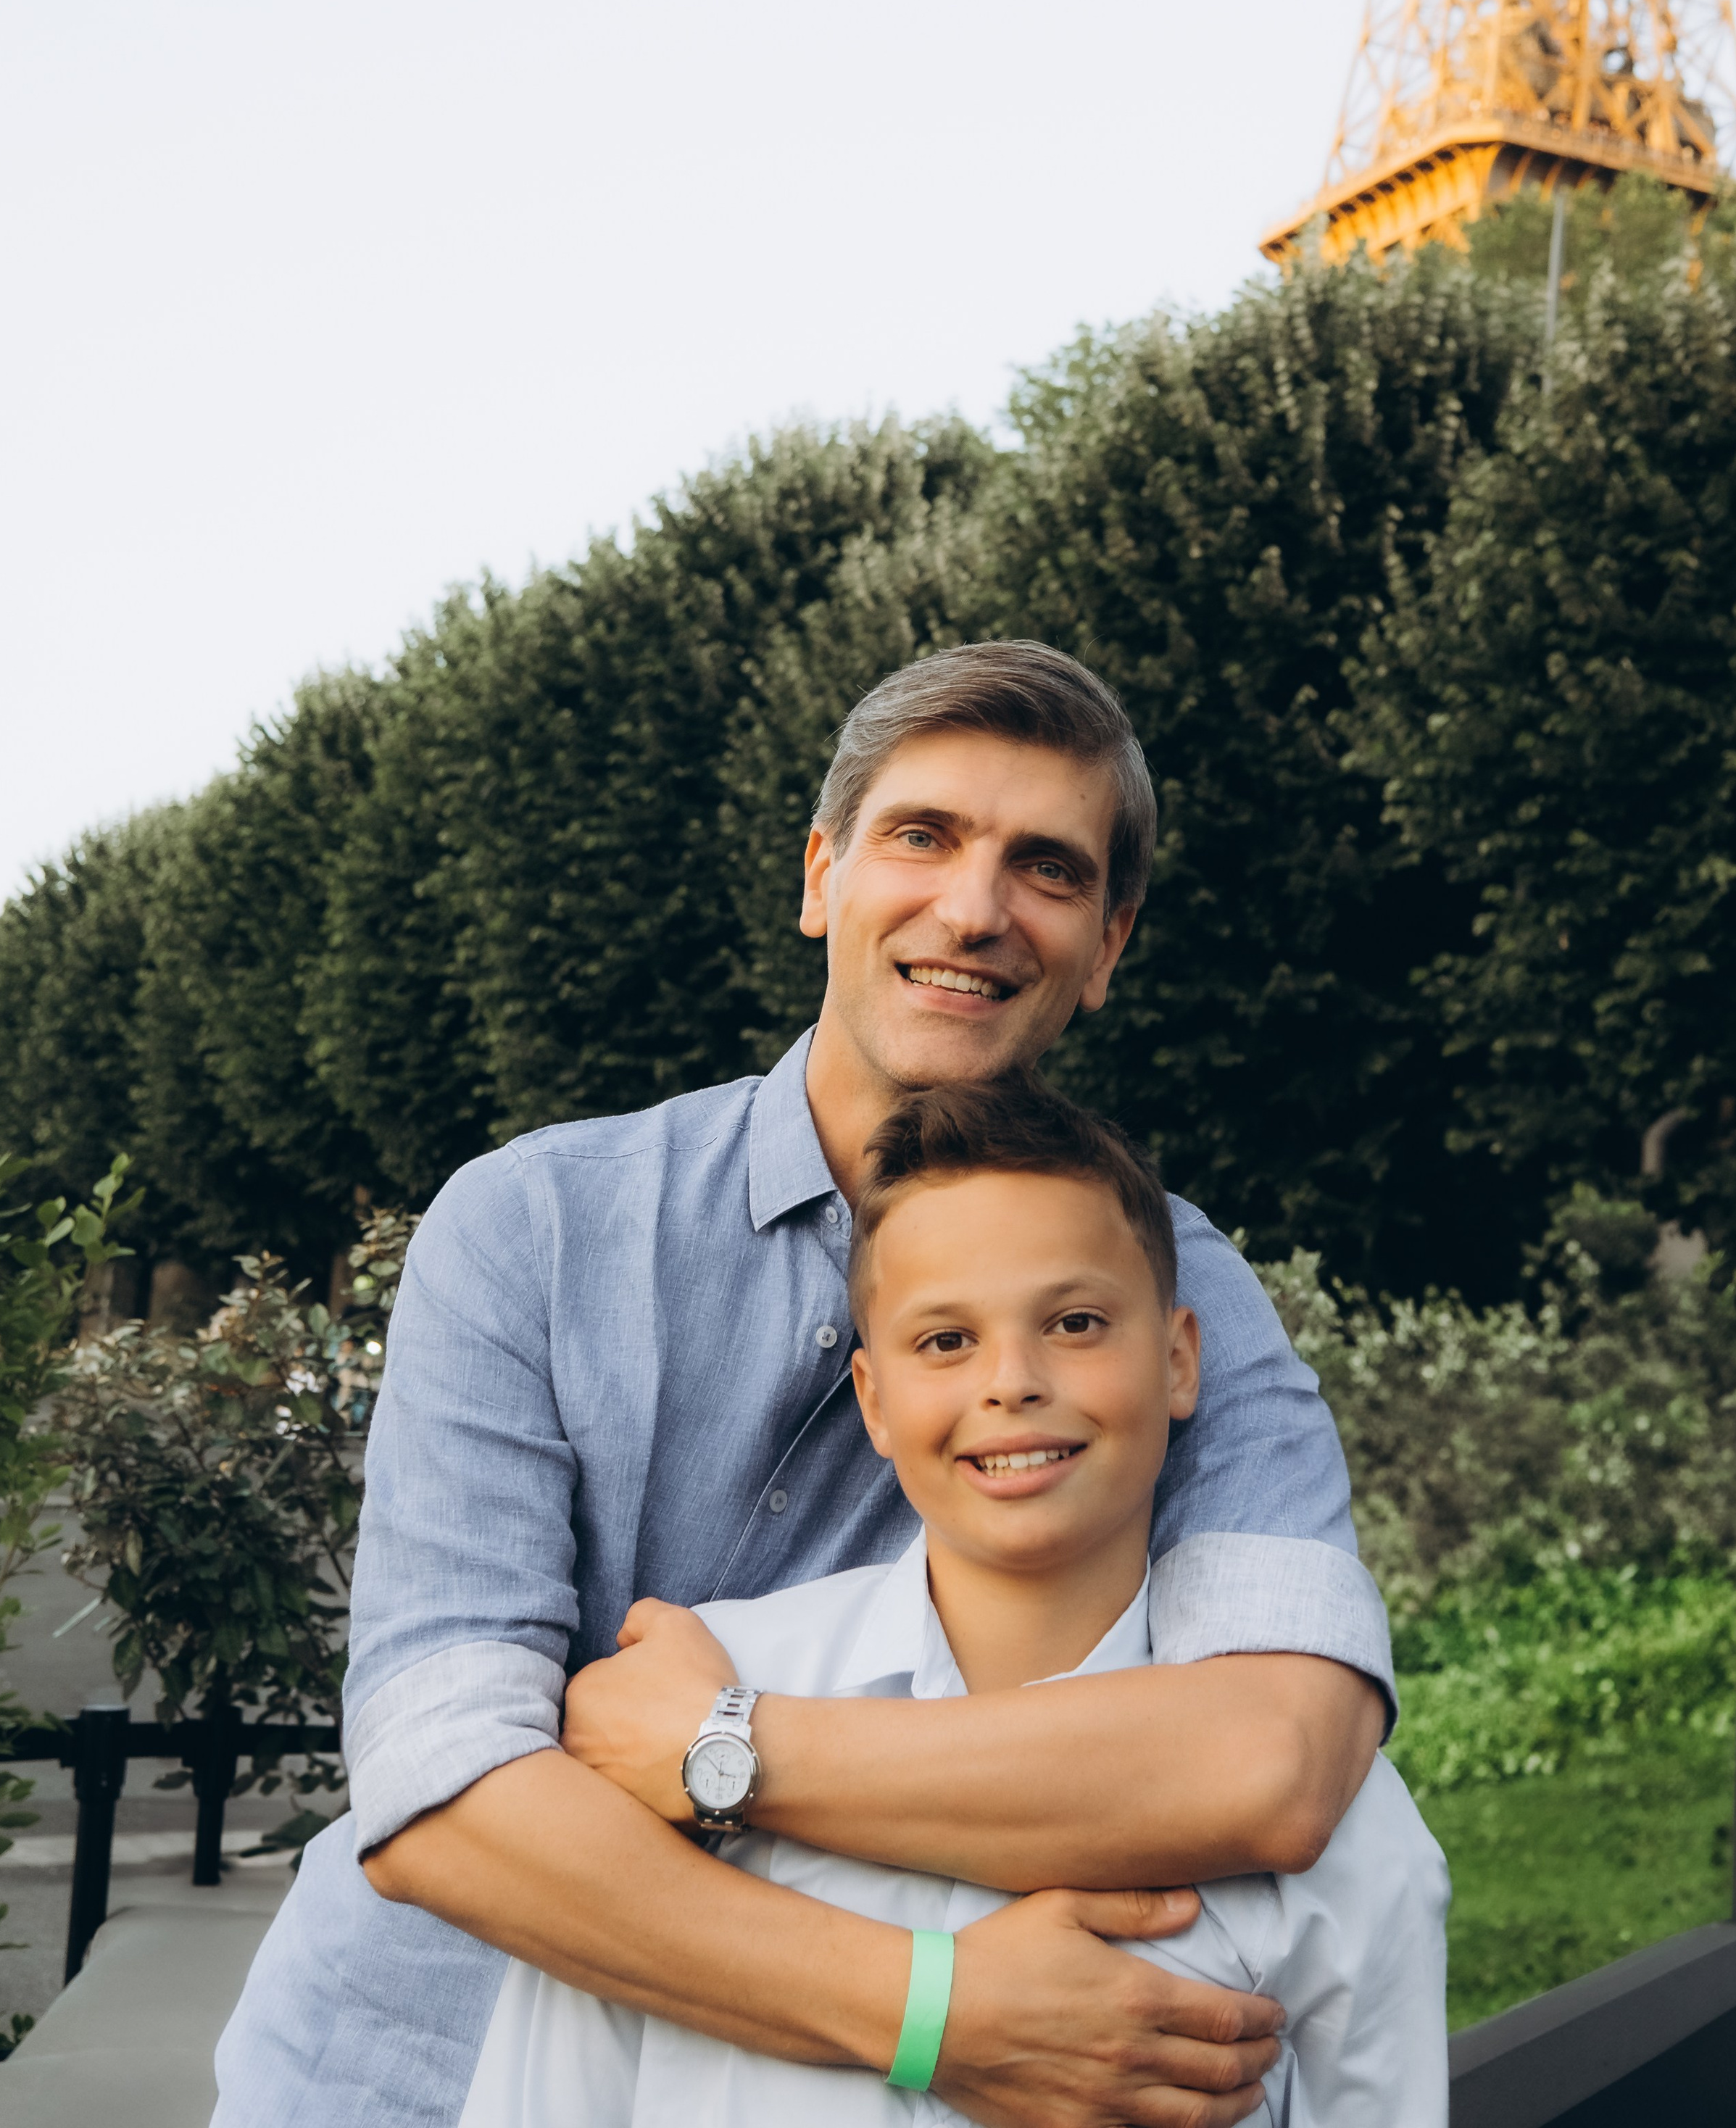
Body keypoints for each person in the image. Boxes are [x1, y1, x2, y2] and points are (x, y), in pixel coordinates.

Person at [215, 642, 1397, 2128]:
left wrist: (723, 1748)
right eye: (922, 836)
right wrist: (933, 2008)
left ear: (1106, 947)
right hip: (418, 2076)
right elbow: (445, 1792)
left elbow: (1274, 1756)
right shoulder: (529, 1224)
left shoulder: (1180, 1303)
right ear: (819, 876)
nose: (973, 908)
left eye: (1045, 867)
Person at [456, 1076, 1449, 2125]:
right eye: (945, 1340)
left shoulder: (1355, 1836)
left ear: (1178, 1361)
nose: (1011, 1379)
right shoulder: (675, 1713)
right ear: (874, 1402)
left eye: (1073, 1320)